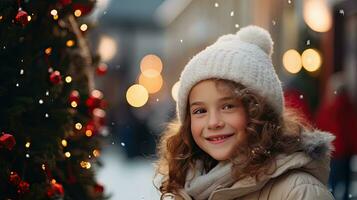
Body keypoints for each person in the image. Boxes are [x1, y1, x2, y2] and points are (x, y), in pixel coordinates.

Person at [155, 25, 335, 200]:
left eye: (227, 106)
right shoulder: (188, 187)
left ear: (260, 112)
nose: (213, 122)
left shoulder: (298, 192)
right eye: (200, 110)